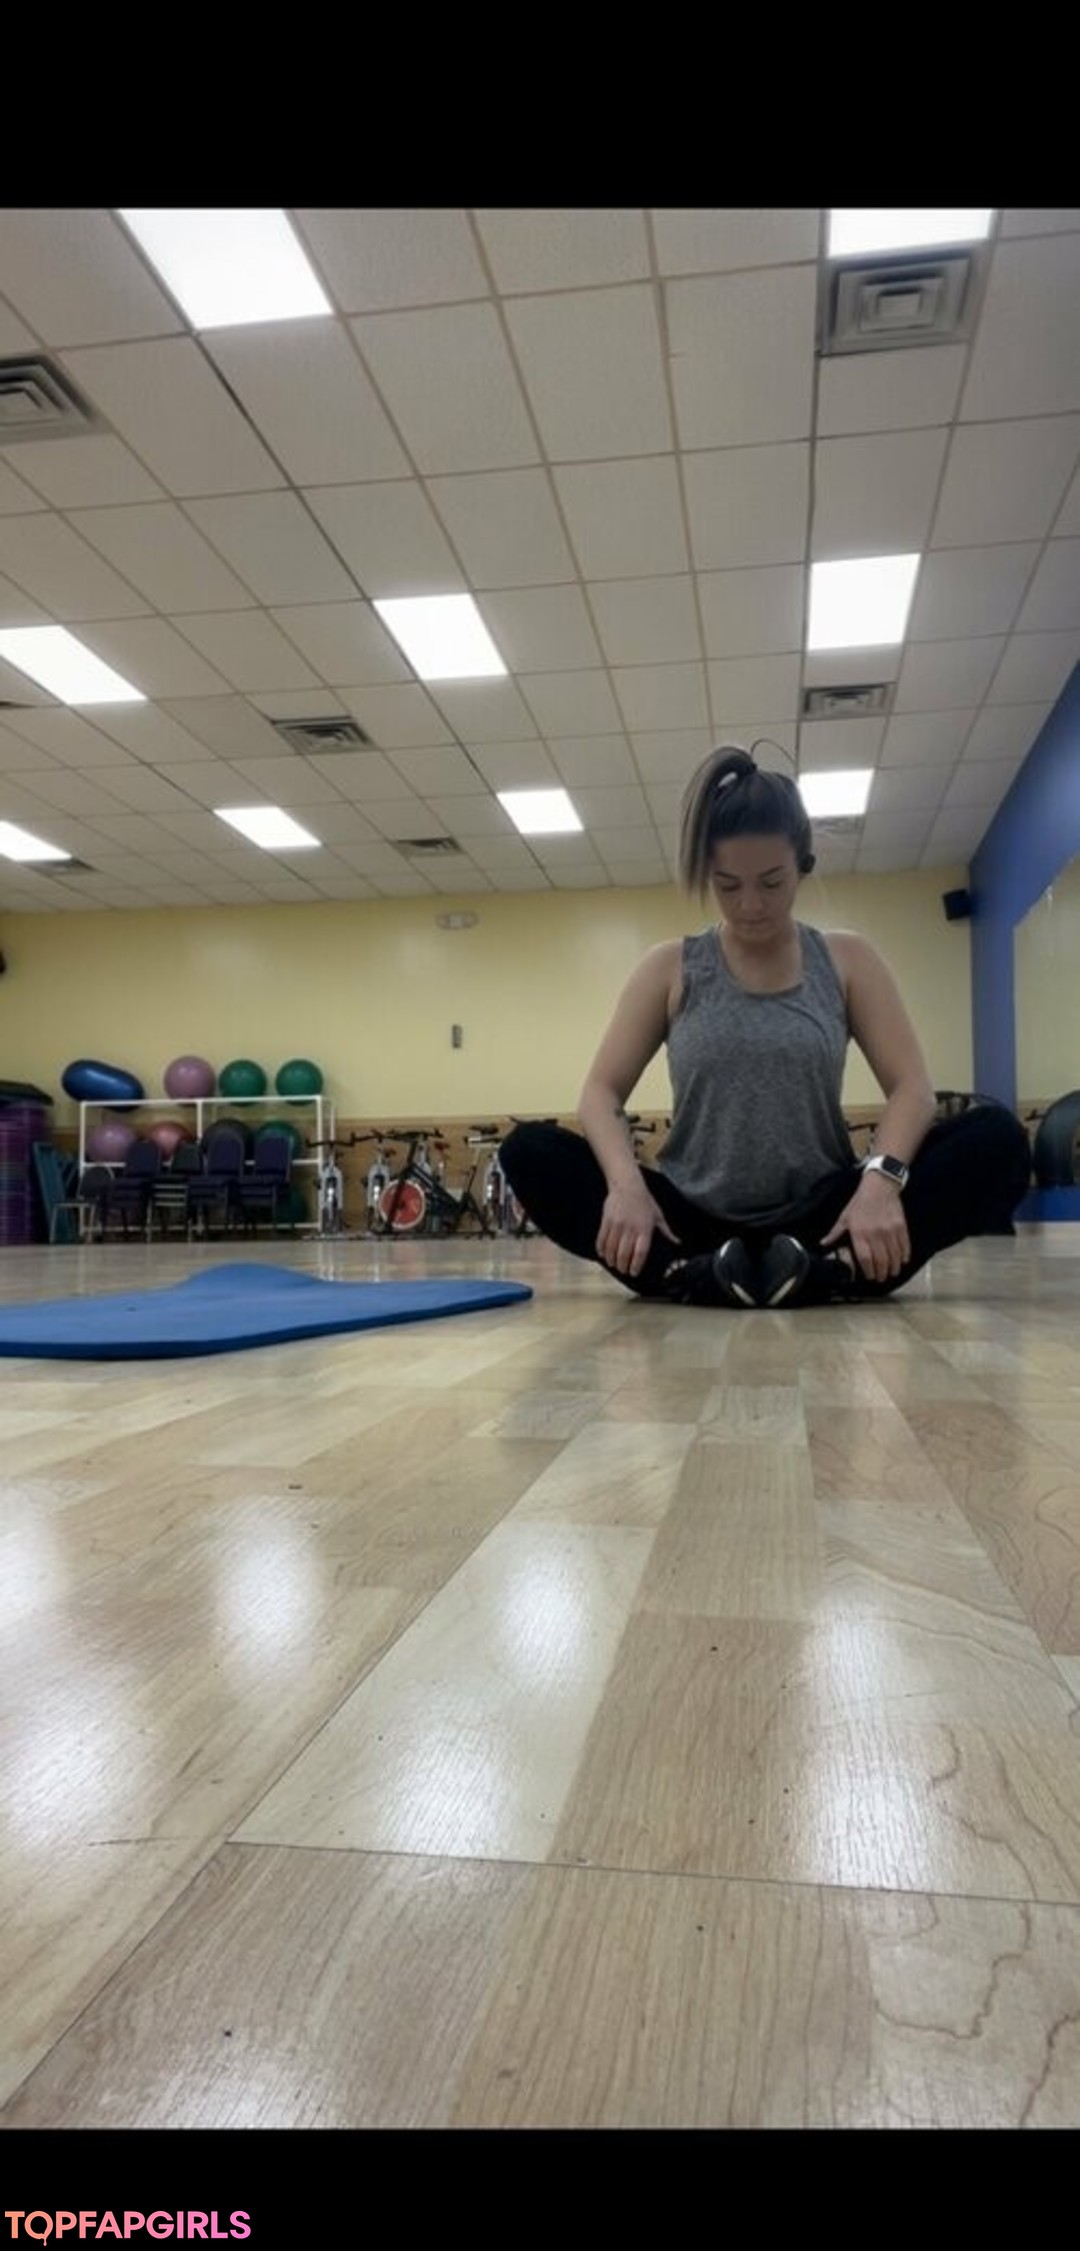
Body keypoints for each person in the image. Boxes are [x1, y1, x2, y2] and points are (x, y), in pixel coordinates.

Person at [499, 745, 1033, 1309]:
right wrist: (626, 1185)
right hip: (690, 1218)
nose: (750, 905)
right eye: (728, 885)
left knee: (996, 1139)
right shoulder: (670, 967)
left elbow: (912, 1089)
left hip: (822, 1217)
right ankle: (710, 1271)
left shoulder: (848, 960)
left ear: (803, 864)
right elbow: (600, 1092)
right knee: (531, 1151)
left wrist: (880, 1183)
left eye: (771, 882)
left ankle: (805, 1269)